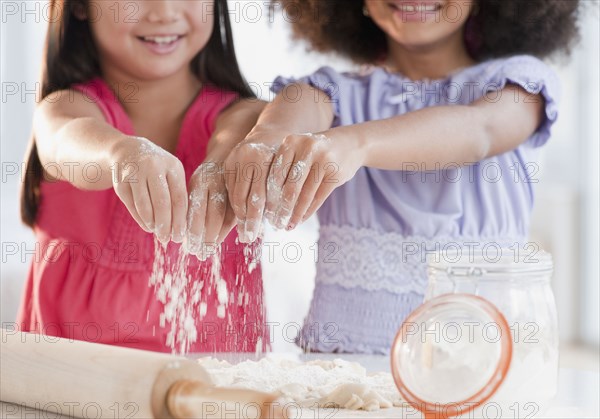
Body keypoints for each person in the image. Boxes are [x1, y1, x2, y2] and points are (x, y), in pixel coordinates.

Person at [224, 0, 580, 353]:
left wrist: (356, 143)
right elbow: (283, 120)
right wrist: (264, 141)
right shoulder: (326, 93)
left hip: (481, 371)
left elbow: (479, 131)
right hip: (348, 379)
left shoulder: (519, 84)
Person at [17, 0, 268, 353]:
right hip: (71, 391)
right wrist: (121, 155)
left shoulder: (246, 118)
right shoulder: (64, 109)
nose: (164, 11)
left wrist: (221, 164)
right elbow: (65, 139)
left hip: (214, 394)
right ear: (78, 6)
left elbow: (239, 138)